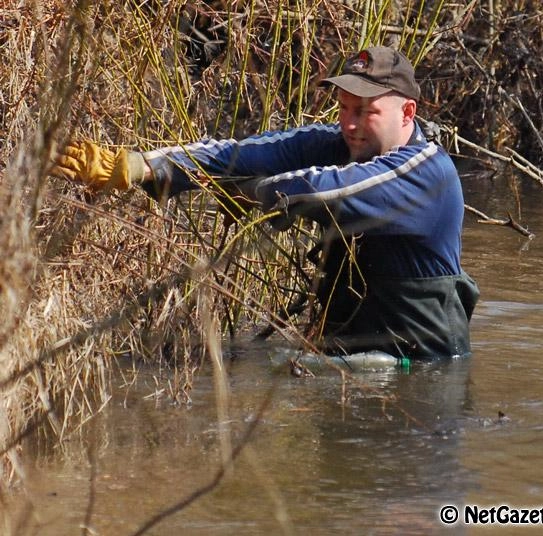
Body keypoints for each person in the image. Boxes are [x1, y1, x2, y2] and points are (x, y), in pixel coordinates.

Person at [51, 46, 479, 360]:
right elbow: (236, 153)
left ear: (407, 113)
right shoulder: (336, 144)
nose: (349, 124)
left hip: (424, 376)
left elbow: (320, 191)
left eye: (366, 111)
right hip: (350, 359)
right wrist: (142, 167)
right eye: (344, 107)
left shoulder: (426, 174)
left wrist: (249, 191)